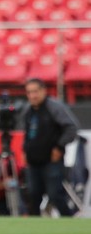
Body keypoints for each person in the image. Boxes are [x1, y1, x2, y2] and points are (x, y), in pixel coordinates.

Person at [22, 78, 79, 217]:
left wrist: (59, 147)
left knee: (55, 195)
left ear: (43, 91)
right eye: (29, 92)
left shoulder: (54, 107)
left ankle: (68, 222)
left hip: (51, 160)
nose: (33, 96)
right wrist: (25, 150)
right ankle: (33, 227)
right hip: (33, 161)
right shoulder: (28, 110)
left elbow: (72, 128)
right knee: (33, 195)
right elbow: (28, 133)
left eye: (35, 91)